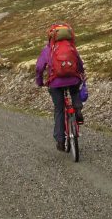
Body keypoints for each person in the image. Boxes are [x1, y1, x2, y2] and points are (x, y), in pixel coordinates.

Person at [35, 23, 85, 151]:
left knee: (59, 110)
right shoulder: (71, 47)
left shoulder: (48, 49)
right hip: (73, 80)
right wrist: (80, 76)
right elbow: (79, 64)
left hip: (55, 83)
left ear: (51, 37)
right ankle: (77, 109)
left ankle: (60, 141)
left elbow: (39, 68)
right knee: (74, 91)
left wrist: (40, 82)